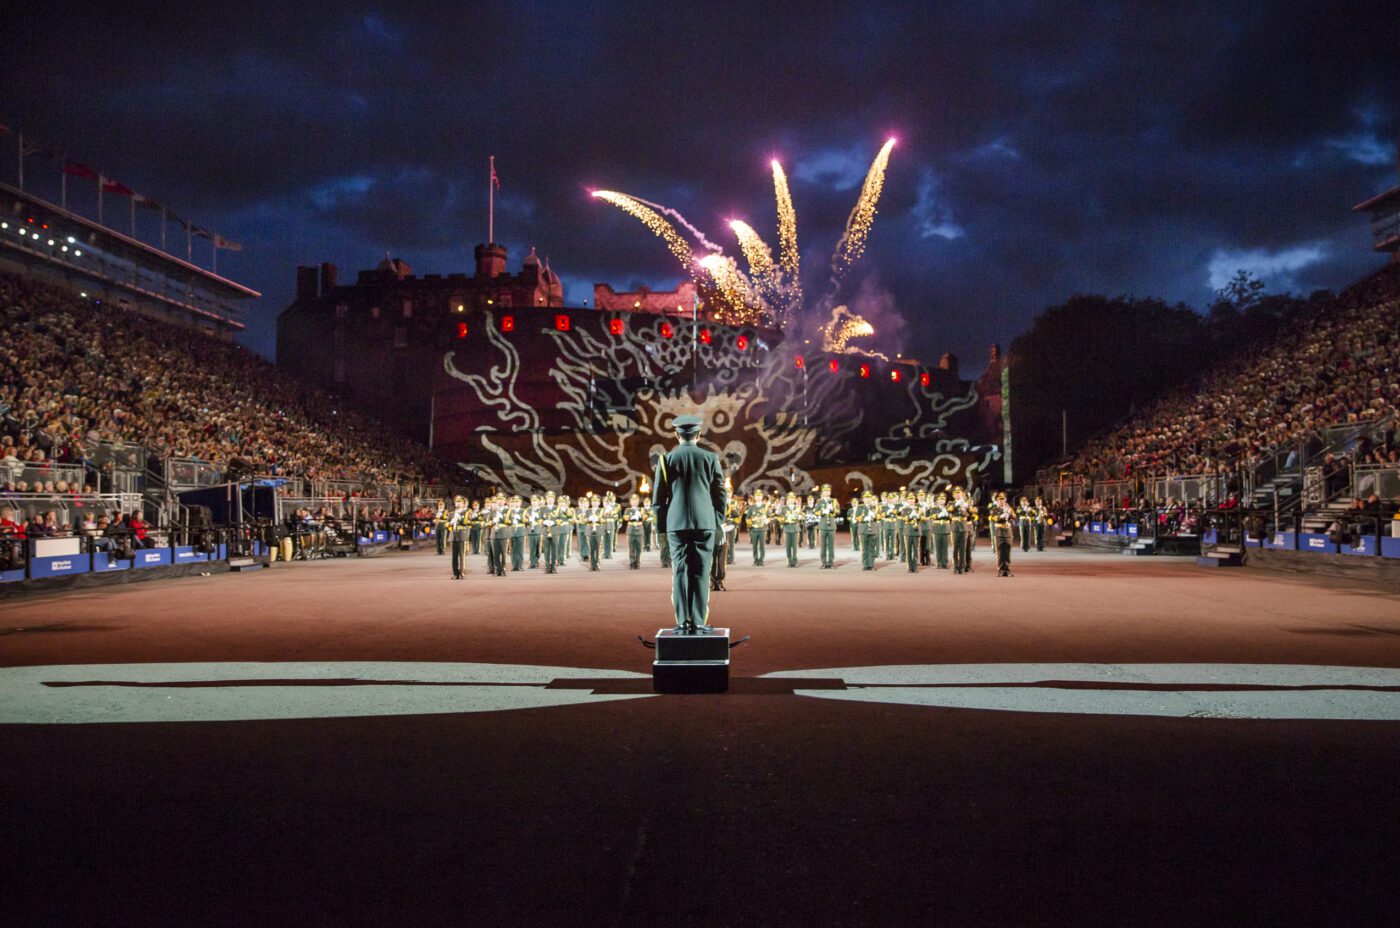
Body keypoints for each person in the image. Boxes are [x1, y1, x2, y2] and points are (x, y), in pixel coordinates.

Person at [652, 414, 726, 634]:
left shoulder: (666, 460)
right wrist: (717, 521)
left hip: (676, 524)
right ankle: (699, 621)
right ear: (699, 434)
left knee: (680, 572)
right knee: (702, 572)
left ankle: (683, 621)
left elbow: (659, 500)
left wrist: (660, 529)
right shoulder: (710, 458)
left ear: (677, 435)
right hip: (705, 523)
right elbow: (720, 495)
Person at [991, 492, 1015, 577]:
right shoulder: (995, 509)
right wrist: (1001, 516)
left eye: (1003, 499)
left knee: (1007, 551)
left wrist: (1009, 512)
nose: (1001, 501)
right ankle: (1001, 569)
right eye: (1000, 500)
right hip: (999, 532)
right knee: (1000, 552)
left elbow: (1014, 516)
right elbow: (994, 518)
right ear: (997, 501)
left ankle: (1007, 569)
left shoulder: (1008, 508)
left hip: (1008, 532)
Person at [816, 484, 839, 568]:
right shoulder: (819, 501)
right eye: (825, 491)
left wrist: (833, 509)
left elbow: (838, 511)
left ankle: (830, 562)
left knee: (831, 545)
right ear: (822, 492)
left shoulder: (834, 501)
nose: (827, 492)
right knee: (823, 545)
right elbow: (815, 511)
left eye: (828, 491)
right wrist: (823, 512)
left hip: (831, 525)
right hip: (823, 525)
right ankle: (824, 562)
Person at [856, 491, 880, 570]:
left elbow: (880, 517)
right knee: (864, 548)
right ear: (863, 499)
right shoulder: (860, 507)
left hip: (872, 529)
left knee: (872, 548)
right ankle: (865, 565)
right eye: (866, 498)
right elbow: (857, 518)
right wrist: (864, 518)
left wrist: (875, 515)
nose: (868, 499)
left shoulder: (875, 507)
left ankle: (871, 565)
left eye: (869, 498)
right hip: (863, 530)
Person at [622, 494, 646, 569]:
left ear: (638, 501)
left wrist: (640, 516)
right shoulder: (628, 510)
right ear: (630, 502)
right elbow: (625, 518)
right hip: (631, 529)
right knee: (631, 547)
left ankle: (637, 562)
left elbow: (645, 518)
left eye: (636, 500)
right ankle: (632, 562)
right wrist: (631, 517)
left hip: (639, 529)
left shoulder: (641, 509)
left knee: (638, 548)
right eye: (632, 500)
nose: (634, 502)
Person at [950, 488, 970, 575]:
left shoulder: (965, 503)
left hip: (963, 526)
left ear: (962, 494)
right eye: (956, 493)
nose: (958, 495)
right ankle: (956, 566)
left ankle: (962, 567)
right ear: (953, 495)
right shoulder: (951, 503)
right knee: (955, 548)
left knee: (963, 549)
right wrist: (957, 504)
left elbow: (971, 513)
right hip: (955, 527)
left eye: (959, 493)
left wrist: (966, 507)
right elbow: (949, 509)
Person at [448, 496, 468, 579]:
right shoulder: (451, 513)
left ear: (463, 504)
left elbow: (466, 522)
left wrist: (459, 519)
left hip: (461, 534)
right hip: (453, 534)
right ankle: (455, 573)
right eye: (457, 502)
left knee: (462, 555)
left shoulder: (466, 512)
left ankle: (461, 572)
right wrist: (450, 523)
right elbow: (447, 524)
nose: (458, 503)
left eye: (460, 502)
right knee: (454, 555)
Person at [930, 491, 951, 569]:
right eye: (940, 499)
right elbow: (933, 516)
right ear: (937, 500)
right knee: (938, 547)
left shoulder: (948, 508)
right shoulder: (934, 508)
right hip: (937, 528)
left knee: (945, 547)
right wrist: (940, 515)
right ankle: (939, 563)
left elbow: (951, 517)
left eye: (944, 499)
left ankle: (944, 563)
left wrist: (948, 514)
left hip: (945, 528)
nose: (942, 500)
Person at [748, 489, 769, 566]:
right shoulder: (752, 507)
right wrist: (751, 522)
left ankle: (761, 560)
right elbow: (747, 517)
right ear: (755, 497)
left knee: (762, 545)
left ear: (762, 497)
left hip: (762, 528)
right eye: (757, 496)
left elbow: (770, 516)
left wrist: (767, 520)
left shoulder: (765, 507)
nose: (758, 497)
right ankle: (755, 559)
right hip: (754, 529)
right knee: (754, 545)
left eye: (760, 496)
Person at [782, 491, 802, 567]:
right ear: (787, 499)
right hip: (787, 528)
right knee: (788, 546)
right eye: (790, 498)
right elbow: (780, 518)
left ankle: (794, 560)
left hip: (795, 529)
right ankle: (789, 560)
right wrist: (785, 519)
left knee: (794, 546)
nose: (791, 500)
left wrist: (800, 517)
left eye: (792, 498)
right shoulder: (784, 508)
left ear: (794, 499)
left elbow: (801, 516)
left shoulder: (797, 508)